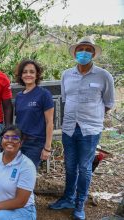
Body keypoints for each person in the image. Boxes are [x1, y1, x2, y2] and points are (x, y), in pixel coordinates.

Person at [49, 36, 115, 220]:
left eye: (88, 49)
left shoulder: (103, 76)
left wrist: (93, 116)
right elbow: (65, 98)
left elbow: (108, 103)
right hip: (69, 127)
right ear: (75, 52)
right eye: (81, 49)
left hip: (90, 129)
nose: (83, 52)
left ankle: (79, 204)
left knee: (85, 167)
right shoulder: (66, 75)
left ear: (93, 53)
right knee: (70, 166)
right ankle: (68, 198)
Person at [14, 59, 54, 168]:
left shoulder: (44, 94)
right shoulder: (19, 96)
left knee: (26, 176)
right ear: (21, 75)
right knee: (16, 174)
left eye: (32, 72)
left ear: (37, 75)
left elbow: (49, 122)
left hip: (36, 144)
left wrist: (47, 148)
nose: (28, 74)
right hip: (19, 142)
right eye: (25, 72)